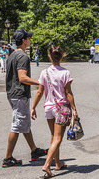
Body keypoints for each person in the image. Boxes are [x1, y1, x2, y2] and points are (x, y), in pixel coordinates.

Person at [2, 29, 47, 168]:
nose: (30, 40)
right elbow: (22, 77)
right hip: (19, 95)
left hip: (13, 94)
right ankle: (8, 158)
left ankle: (34, 150)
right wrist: (40, 82)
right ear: (23, 41)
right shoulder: (23, 56)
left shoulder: (12, 55)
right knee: (17, 126)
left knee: (25, 122)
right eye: (29, 38)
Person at [32, 45, 78, 178]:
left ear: (49, 56)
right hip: (61, 108)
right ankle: (47, 165)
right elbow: (68, 93)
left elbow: (40, 92)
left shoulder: (44, 73)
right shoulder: (65, 73)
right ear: (62, 56)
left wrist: (33, 107)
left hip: (49, 109)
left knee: (53, 137)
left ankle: (57, 163)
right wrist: (74, 109)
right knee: (58, 138)